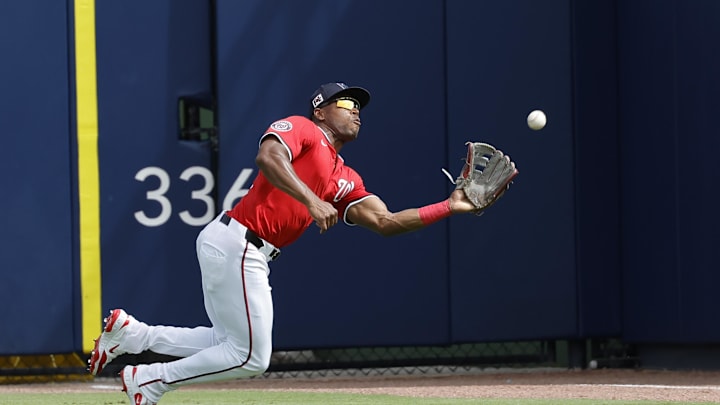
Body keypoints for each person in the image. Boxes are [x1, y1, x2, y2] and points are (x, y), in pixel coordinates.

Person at [88, 82, 497, 404]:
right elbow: (268, 157)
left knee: (226, 344)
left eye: (359, 107)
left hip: (246, 250)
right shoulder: (303, 128)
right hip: (240, 242)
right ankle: (150, 380)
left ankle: (132, 335)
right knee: (251, 357)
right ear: (321, 110)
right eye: (346, 104)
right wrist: (312, 199)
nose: (355, 112)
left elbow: (386, 221)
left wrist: (450, 205)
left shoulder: (346, 177)